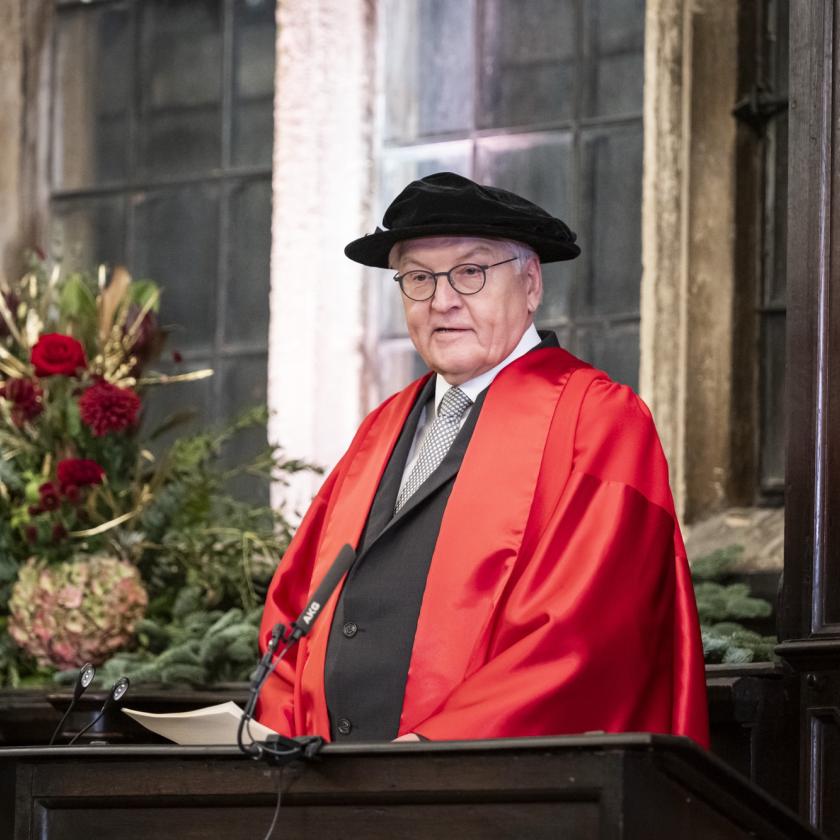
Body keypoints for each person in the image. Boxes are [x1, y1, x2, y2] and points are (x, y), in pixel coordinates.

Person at [256, 172, 709, 747]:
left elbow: (588, 629)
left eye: (470, 272)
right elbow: (296, 606)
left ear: (531, 284)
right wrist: (282, 737)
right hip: (332, 788)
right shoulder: (381, 429)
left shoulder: (595, 419)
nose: (442, 301)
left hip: (489, 789)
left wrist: (441, 746)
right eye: (419, 278)